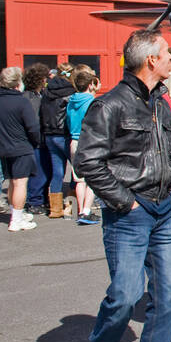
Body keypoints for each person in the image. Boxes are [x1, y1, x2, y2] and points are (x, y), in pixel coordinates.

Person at [75, 31, 171, 342]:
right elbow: (87, 161)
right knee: (125, 295)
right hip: (130, 215)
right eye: (168, 54)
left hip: (162, 210)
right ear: (151, 61)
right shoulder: (109, 105)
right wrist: (126, 202)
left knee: (166, 299)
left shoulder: (161, 105)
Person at [0, 66, 42, 231]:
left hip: (3, 146)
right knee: (20, 183)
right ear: (18, 82)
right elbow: (32, 127)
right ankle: (16, 220)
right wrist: (35, 142)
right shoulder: (22, 101)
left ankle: (17, 213)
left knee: (12, 182)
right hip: (21, 146)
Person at [66, 67, 101, 226]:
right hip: (89, 140)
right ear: (90, 84)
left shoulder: (71, 101)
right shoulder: (91, 102)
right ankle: (87, 210)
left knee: (79, 179)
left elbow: (67, 121)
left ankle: (80, 209)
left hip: (74, 140)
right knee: (93, 178)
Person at [40, 65, 75, 218]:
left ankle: (55, 209)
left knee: (57, 172)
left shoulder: (46, 93)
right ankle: (73, 204)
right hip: (64, 135)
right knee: (77, 170)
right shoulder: (70, 93)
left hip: (49, 135)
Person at [22, 65, 50, 212]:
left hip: (39, 139)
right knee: (38, 173)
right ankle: (35, 201)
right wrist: (37, 139)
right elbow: (33, 123)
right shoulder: (30, 98)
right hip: (36, 140)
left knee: (44, 171)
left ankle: (41, 199)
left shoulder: (38, 95)